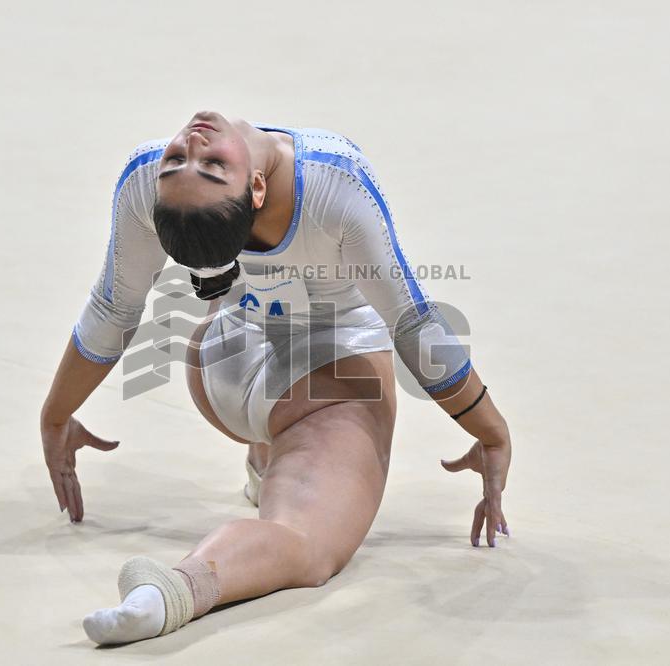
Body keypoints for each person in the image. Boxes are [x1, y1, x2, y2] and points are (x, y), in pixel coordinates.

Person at [39, 111, 513, 644]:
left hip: (220, 362)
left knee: (266, 352)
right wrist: (492, 432)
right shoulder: (335, 183)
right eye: (201, 163)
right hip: (324, 384)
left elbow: (113, 308)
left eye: (192, 161)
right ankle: (174, 591)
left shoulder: (150, 177)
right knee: (307, 545)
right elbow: (412, 324)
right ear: (256, 187)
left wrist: (56, 416)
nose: (192, 143)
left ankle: (272, 458)